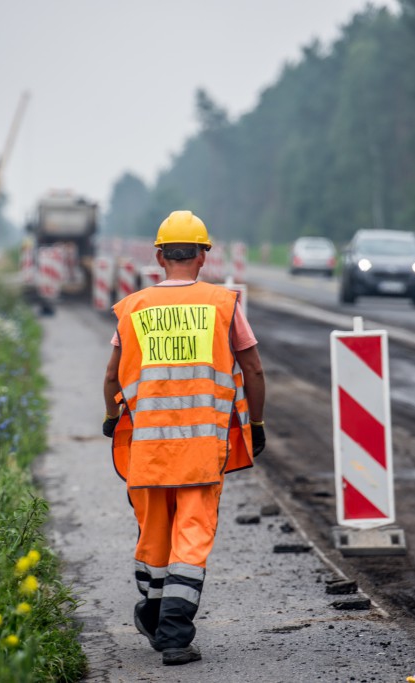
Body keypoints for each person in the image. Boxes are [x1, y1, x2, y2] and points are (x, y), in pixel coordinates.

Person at [102, 210, 267, 666]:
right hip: (200, 451)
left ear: (158, 256)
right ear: (202, 257)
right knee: (190, 539)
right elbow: (252, 368)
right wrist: (255, 424)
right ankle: (172, 635)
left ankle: (155, 617)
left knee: (153, 541)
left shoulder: (132, 308)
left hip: (148, 452)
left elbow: (112, 376)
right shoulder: (222, 304)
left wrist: (109, 415)